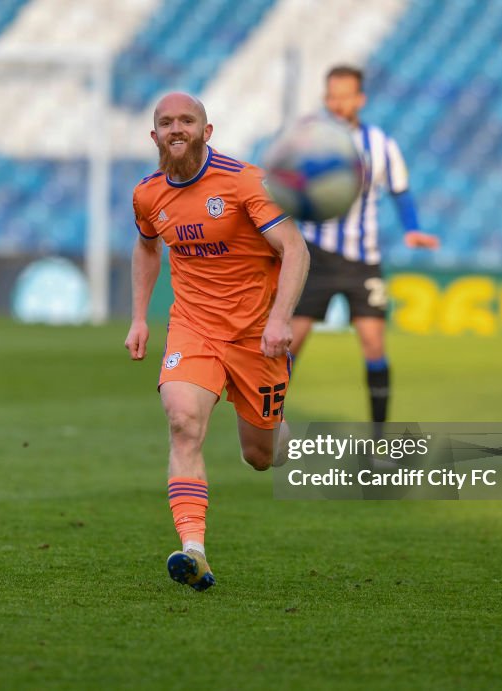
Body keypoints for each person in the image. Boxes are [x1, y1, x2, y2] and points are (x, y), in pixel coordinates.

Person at [125, 92, 309, 592]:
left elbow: (294, 248)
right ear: (154, 135)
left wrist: (279, 319)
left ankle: (286, 434)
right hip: (194, 326)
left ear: (208, 131)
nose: (175, 128)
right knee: (183, 420)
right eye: (166, 122)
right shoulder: (147, 194)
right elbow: (146, 247)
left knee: (261, 455)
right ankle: (193, 550)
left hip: (256, 335)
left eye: (187, 120)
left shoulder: (244, 181)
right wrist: (139, 317)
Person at [290, 65, 438, 435]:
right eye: (332, 95)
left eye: (345, 95)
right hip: (316, 256)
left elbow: (400, 191)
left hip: (363, 259)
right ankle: (266, 425)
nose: (338, 103)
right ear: (326, 99)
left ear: (360, 99)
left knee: (374, 344)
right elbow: (284, 184)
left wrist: (413, 228)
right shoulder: (308, 140)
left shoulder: (381, 144)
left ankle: (378, 437)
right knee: (290, 342)